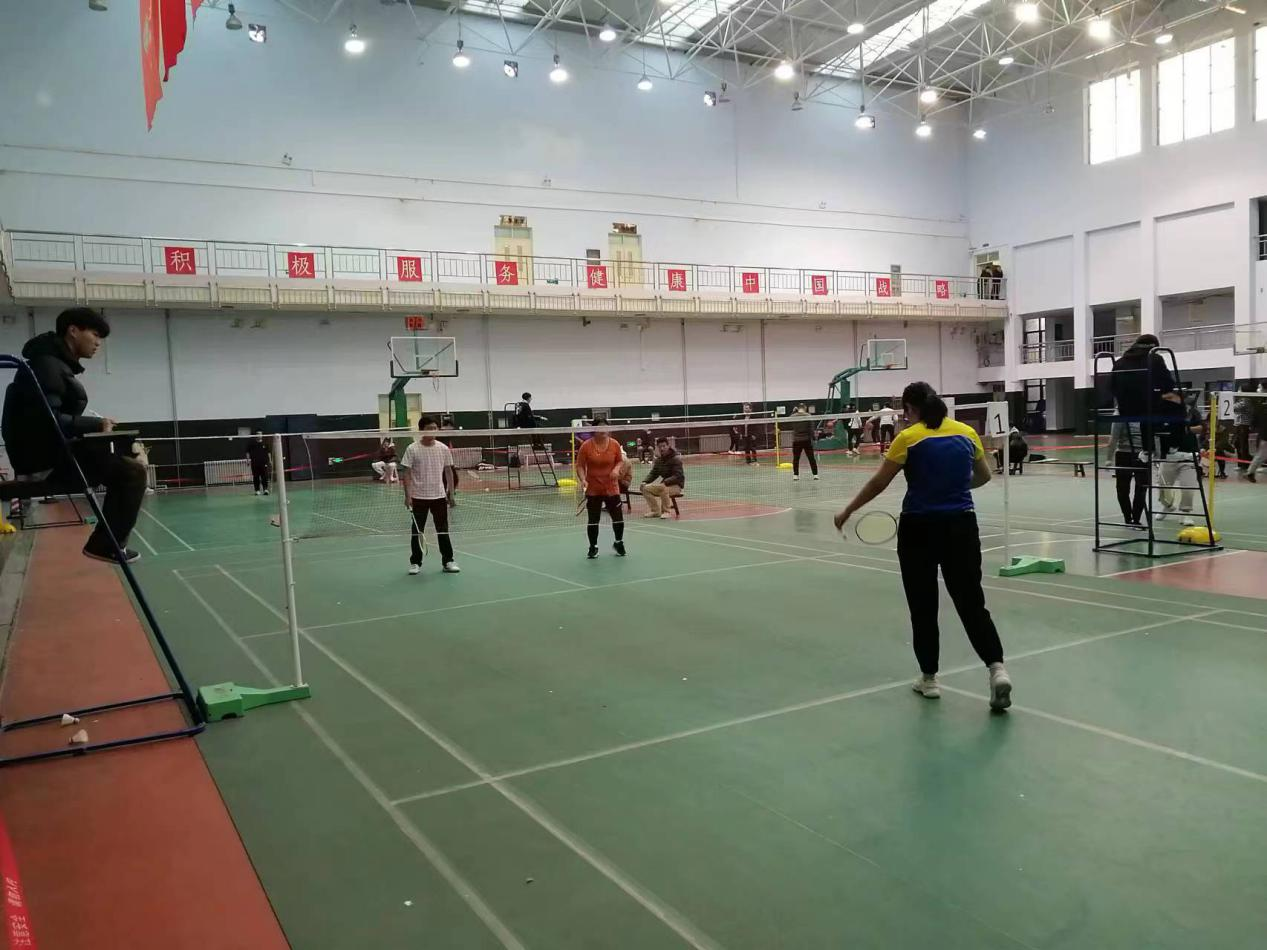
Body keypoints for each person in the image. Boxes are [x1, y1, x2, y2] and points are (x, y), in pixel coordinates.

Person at [833, 382, 1012, 711]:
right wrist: (952, 487)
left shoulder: (908, 438)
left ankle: (929, 680)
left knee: (923, 606)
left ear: (910, 408)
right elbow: (984, 476)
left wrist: (848, 510)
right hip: (961, 526)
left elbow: (879, 482)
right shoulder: (966, 433)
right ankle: (997, 669)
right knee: (972, 604)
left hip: (919, 529)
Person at [1, 308, 148, 563]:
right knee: (132, 472)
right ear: (73, 331)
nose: (98, 343)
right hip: (44, 461)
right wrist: (96, 425)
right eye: (95, 334)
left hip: (47, 453)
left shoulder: (52, 363)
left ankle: (106, 543)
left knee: (126, 460)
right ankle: (105, 545)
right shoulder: (47, 365)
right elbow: (47, 421)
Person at [399, 417, 459, 576]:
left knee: (443, 530)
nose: (433, 431)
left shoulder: (443, 448)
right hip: (418, 496)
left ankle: (448, 561)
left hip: (439, 496)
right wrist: (407, 495)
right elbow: (407, 473)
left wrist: (451, 493)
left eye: (435, 428)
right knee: (417, 531)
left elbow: (448, 471)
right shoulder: (412, 448)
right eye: (429, 428)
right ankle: (415, 562)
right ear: (421, 430)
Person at [575, 424, 626, 558]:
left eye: (605, 427)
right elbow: (580, 465)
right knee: (593, 520)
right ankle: (593, 547)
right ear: (594, 430)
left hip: (611, 488)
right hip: (593, 488)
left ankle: (619, 542)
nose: (603, 430)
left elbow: (620, 461)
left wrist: (616, 469)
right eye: (600, 428)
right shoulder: (586, 446)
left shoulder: (614, 444)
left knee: (618, 518)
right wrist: (582, 479)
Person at [1157, 393, 1203, 523]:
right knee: (1162, 485)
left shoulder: (1191, 412)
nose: (1167, 401)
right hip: (1168, 456)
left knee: (1188, 487)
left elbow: (1200, 428)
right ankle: (1167, 506)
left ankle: (1185, 512)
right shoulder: (1160, 413)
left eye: (1170, 398)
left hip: (1188, 456)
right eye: (1165, 399)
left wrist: (1185, 429)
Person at [1110, 420, 1147, 528]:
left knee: (1142, 488)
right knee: (1122, 488)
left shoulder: (1145, 414)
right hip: (1123, 454)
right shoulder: (1120, 415)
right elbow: (1114, 437)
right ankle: (1128, 517)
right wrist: (1108, 457)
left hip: (1143, 454)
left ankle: (1136, 519)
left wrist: (1155, 453)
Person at [640, 437, 684, 518]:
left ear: (668, 446)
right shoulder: (659, 460)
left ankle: (666, 512)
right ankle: (655, 511)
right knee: (645, 488)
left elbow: (678, 475)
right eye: (660, 447)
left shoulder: (676, 459)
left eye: (664, 446)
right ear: (657, 447)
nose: (662, 448)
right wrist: (645, 481)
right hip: (663, 484)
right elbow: (654, 473)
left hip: (676, 486)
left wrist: (666, 482)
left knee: (664, 488)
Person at [789, 403, 819, 481]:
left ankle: (795, 475)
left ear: (798, 408)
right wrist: (814, 438)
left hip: (796, 440)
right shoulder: (808, 416)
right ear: (805, 408)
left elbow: (788, 421)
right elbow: (811, 429)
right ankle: (815, 475)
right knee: (811, 458)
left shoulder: (793, 416)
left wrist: (793, 412)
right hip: (807, 440)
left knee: (796, 459)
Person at [1233, 383, 1256, 473]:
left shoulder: (1246, 401)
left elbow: (1234, 407)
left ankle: (1244, 464)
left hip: (1243, 425)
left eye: (1239, 389)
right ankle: (1241, 463)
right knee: (1238, 444)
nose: (1238, 391)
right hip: (1239, 425)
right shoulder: (1242, 400)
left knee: (1242, 445)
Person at [1245, 395, 1267, 483]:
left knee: (1261, 455)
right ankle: (1249, 473)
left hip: (1263, 434)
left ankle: (1250, 472)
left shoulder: (1260, 406)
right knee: (1261, 455)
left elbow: (1254, 421)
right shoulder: (1261, 407)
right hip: (1265, 435)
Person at [246, 432, 270, 496]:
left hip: (264, 463)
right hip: (255, 463)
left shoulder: (265, 443)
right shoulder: (251, 444)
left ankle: (265, 489)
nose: (259, 435)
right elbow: (247, 452)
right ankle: (257, 490)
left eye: (260, 434)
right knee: (256, 477)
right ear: (255, 435)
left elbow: (268, 452)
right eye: (257, 434)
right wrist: (248, 460)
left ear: (262, 435)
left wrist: (270, 461)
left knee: (264, 476)